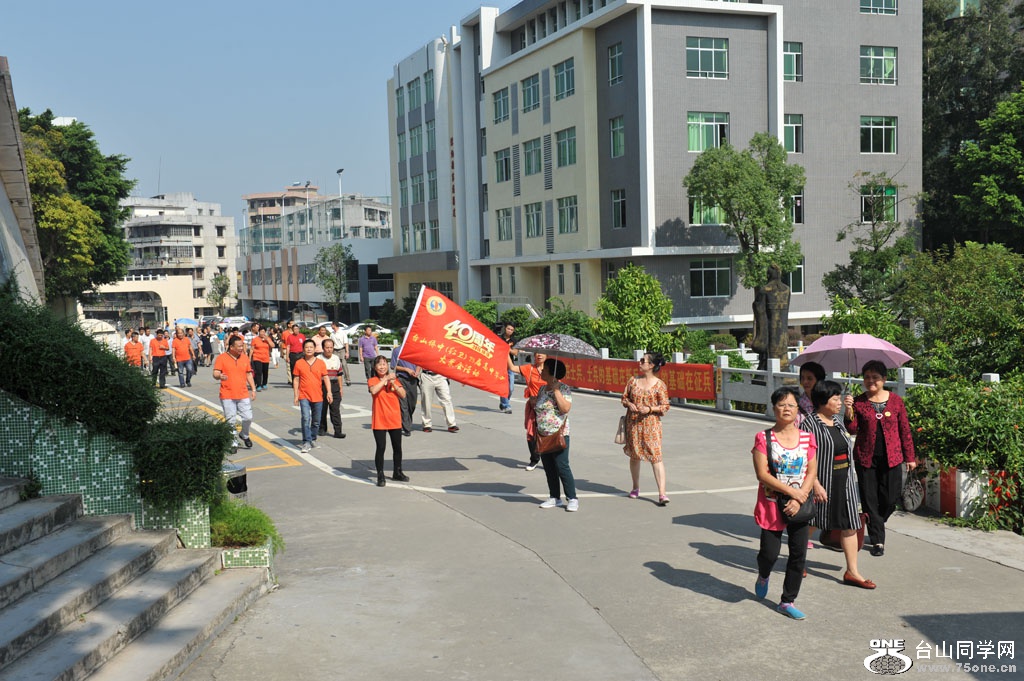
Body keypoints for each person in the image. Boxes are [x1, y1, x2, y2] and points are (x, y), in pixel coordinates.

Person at [800, 380, 875, 589]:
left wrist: (850, 410)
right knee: (812, 522)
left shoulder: (838, 421)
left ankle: (852, 572)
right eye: (835, 398)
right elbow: (804, 457)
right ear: (823, 401)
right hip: (822, 481)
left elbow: (853, 431)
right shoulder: (809, 424)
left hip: (845, 480)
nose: (839, 402)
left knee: (850, 524)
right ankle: (798, 562)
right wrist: (815, 483)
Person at [752, 386, 817, 620]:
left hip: (799, 504)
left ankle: (787, 601)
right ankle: (763, 575)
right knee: (769, 554)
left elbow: (812, 471)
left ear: (798, 409)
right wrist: (791, 492)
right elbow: (762, 474)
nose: (786, 409)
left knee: (798, 555)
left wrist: (800, 497)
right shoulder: (764, 437)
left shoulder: (807, 438)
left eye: (791, 405)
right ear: (774, 408)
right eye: (781, 404)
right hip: (772, 504)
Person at [846, 360, 917, 558]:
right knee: (869, 499)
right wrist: (849, 411)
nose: (871, 381)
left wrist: (910, 457)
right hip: (865, 458)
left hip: (892, 458)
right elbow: (852, 430)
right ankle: (878, 540)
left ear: (884, 379)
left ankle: (877, 521)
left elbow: (905, 430)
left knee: (890, 499)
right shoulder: (859, 402)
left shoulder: (896, 401)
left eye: (875, 377)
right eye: (867, 377)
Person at [621, 352, 671, 505]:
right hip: (633, 423)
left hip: (651, 425)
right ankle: (635, 487)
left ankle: (662, 493)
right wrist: (629, 404)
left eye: (643, 360)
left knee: (656, 457)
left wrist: (649, 409)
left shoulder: (659, 385)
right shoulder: (633, 381)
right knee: (634, 455)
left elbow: (665, 406)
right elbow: (624, 398)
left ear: (651, 365)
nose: (640, 362)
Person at [535, 358, 578, 511]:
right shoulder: (542, 389)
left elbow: (565, 408)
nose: (541, 370)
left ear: (551, 372)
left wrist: (556, 390)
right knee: (549, 467)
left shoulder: (564, 388)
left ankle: (572, 498)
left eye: (545, 368)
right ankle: (554, 497)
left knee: (562, 465)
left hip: (559, 433)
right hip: (543, 434)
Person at [368, 355, 408, 486]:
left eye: (384, 364)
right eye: (379, 364)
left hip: (394, 418)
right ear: (375, 367)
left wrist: (393, 383)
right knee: (381, 448)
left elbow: (403, 395)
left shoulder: (394, 380)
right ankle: (380, 475)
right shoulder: (373, 380)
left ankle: (397, 472)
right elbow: (374, 391)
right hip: (380, 419)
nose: (382, 367)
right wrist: (385, 379)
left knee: (397, 448)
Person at [213, 335, 257, 449]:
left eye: (242, 346)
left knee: (248, 417)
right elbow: (215, 373)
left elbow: (248, 374)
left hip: (243, 393)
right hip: (227, 394)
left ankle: (244, 434)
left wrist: (253, 389)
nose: (241, 348)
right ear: (231, 347)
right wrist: (219, 376)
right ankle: (233, 442)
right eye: (239, 346)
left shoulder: (244, 358)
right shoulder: (222, 358)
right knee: (231, 420)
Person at [507, 351, 547, 470]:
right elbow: (512, 368)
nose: (539, 355)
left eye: (542, 353)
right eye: (537, 353)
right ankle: (534, 459)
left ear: (547, 356)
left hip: (547, 408)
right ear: (534, 355)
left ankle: (549, 461)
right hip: (533, 406)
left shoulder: (551, 370)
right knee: (531, 434)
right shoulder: (529, 369)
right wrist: (506, 352)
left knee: (546, 435)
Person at [293, 339, 331, 453]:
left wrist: (329, 392)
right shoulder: (299, 363)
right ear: (303, 349)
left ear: (315, 349)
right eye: (306, 347)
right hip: (304, 395)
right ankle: (306, 441)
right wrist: (296, 395)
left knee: (316, 421)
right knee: (305, 418)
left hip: (318, 396)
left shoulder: (320, 363)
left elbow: (326, 378)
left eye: (311, 347)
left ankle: (313, 438)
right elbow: (296, 380)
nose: (309, 349)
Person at [317, 339, 346, 439]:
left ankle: (338, 431)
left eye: (331, 347)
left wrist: (340, 388)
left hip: (334, 385)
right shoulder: (318, 359)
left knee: (335, 409)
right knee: (322, 408)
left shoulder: (336, 358)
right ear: (323, 348)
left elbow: (339, 374)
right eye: (327, 347)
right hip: (322, 386)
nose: (329, 349)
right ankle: (322, 428)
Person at [391, 341, 420, 436]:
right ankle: (407, 428)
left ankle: (406, 422)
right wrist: (406, 369)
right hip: (401, 379)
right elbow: (393, 366)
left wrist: (417, 371)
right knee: (403, 404)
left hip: (413, 380)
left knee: (412, 404)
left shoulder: (415, 350)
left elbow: (419, 363)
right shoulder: (397, 350)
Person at [419, 366, 459, 433]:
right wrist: (416, 372)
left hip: (441, 375)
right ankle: (427, 424)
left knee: (447, 399)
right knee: (426, 401)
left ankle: (452, 424)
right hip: (427, 375)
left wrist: (449, 373)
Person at [498, 323, 517, 414]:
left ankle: (503, 402)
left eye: (511, 330)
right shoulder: (499, 338)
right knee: (503, 386)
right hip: (500, 366)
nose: (509, 331)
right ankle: (506, 405)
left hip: (510, 367)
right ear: (505, 328)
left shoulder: (514, 340)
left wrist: (507, 348)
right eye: (508, 328)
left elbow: (515, 353)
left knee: (511, 388)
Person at [249, 327, 274, 392]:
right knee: (258, 372)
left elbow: (273, 345)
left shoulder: (268, 339)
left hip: (265, 358)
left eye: (263, 332)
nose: (262, 333)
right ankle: (258, 385)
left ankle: (264, 383)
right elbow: (252, 349)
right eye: (261, 332)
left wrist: (267, 340)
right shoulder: (255, 339)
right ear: (259, 332)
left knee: (265, 372)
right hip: (257, 357)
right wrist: (249, 358)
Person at [329, 321, 352, 386]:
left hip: (342, 350)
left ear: (334, 325)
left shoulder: (342, 333)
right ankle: (335, 379)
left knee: (344, 365)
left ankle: (347, 380)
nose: (331, 326)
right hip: (335, 350)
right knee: (335, 365)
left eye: (332, 325)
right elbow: (331, 342)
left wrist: (347, 352)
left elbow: (346, 343)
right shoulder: (332, 334)